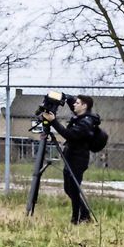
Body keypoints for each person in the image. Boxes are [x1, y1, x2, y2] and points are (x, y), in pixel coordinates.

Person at [41, 94, 100, 224]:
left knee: (74, 189)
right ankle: (84, 215)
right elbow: (73, 103)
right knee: (69, 189)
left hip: (78, 160)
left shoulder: (86, 122)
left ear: (84, 106)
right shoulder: (81, 116)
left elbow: (69, 134)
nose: (74, 105)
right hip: (70, 156)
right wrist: (65, 97)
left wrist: (53, 121)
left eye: (77, 103)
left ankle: (76, 219)